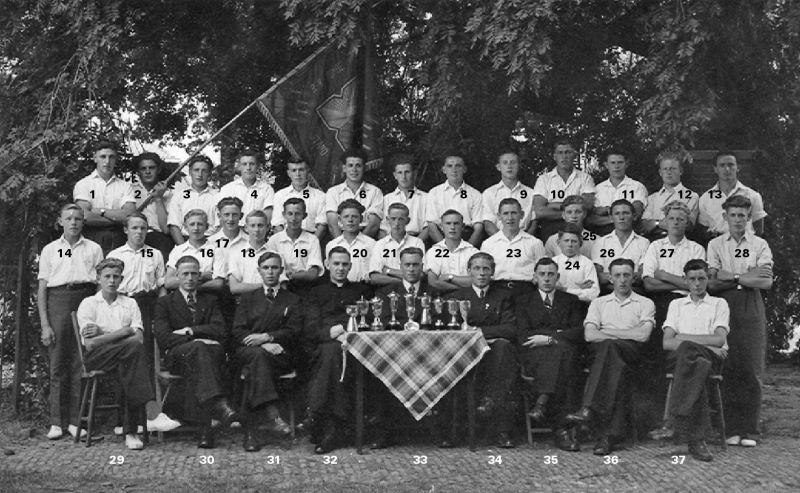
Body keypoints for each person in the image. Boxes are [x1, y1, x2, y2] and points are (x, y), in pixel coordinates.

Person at [76, 258, 180, 450]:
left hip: (126, 357)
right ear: (98, 278)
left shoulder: (130, 303)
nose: (111, 281)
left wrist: (103, 333)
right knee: (133, 354)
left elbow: (138, 338)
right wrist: (123, 332)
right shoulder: (89, 303)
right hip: (98, 358)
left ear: (121, 279)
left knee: (131, 362)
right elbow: (91, 344)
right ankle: (150, 414)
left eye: (116, 277)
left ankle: (133, 432)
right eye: (107, 276)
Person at [565, 259, 655, 455]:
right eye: (617, 275)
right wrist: (628, 332)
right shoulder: (599, 302)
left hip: (631, 354)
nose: (622, 280)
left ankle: (588, 408)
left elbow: (643, 336)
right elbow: (589, 335)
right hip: (605, 356)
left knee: (609, 347)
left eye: (626, 275)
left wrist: (607, 332)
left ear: (634, 277)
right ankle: (608, 437)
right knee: (614, 367)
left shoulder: (645, 303)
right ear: (610, 278)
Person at [707, 195, 773, 447]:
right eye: (733, 215)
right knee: (729, 366)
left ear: (749, 217)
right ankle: (731, 429)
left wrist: (732, 277)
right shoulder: (715, 245)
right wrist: (747, 276)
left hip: (751, 304)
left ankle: (751, 430)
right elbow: (712, 283)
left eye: (742, 215)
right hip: (724, 304)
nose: (737, 220)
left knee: (751, 367)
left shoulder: (759, 244)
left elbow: (765, 281)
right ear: (725, 217)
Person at [153, 256, 240, 449]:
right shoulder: (165, 303)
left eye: (194, 273)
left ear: (200, 276)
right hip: (178, 358)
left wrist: (191, 331)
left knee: (202, 360)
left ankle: (205, 429)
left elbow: (221, 331)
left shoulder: (210, 300)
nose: (190, 278)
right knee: (201, 349)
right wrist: (199, 340)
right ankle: (219, 405)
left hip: (207, 358)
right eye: (185, 274)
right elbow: (164, 338)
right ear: (177, 276)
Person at [37, 204, 103, 440]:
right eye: (69, 218)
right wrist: (45, 324)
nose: (73, 222)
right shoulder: (50, 250)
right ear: (60, 221)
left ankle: (76, 421)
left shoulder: (94, 248)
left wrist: (95, 314)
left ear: (84, 222)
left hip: (85, 299)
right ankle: (57, 422)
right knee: (58, 362)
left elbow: (99, 285)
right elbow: (42, 289)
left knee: (80, 362)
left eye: (78, 218)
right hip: (58, 301)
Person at [654, 259, 729, 462]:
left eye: (701, 278)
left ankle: (673, 421)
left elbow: (719, 339)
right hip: (688, 359)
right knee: (697, 364)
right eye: (692, 279)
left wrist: (683, 338)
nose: (697, 283)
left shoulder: (719, 304)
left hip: (712, 359)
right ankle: (697, 441)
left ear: (708, 279)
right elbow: (667, 343)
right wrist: (707, 343)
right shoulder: (676, 305)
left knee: (692, 355)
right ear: (685, 281)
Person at [231, 252, 302, 451]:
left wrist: (268, 337)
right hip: (249, 350)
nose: (270, 272)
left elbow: (295, 330)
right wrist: (262, 344)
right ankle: (272, 415)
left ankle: (251, 432)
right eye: (266, 268)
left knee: (253, 369)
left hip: (280, 353)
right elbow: (237, 331)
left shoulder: (292, 299)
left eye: (274, 268)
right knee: (258, 357)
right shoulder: (248, 298)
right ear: (259, 271)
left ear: (281, 271)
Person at [304, 247, 372, 454]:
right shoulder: (316, 292)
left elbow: (367, 320)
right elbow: (310, 327)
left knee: (334, 355)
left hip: (356, 346)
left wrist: (348, 333)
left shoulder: (360, 291)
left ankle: (318, 417)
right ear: (327, 265)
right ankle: (333, 426)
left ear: (350, 266)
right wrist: (331, 332)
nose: (340, 268)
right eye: (336, 264)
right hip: (322, 346)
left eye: (344, 264)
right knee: (331, 354)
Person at [371, 247, 440, 448]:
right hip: (395, 352)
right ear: (400, 267)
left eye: (415, 265)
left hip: (427, 353)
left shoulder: (433, 292)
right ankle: (384, 433)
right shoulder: (385, 293)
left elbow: (438, 320)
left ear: (422, 267)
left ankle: (439, 432)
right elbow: (384, 321)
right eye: (407, 265)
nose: (411, 269)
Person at [448, 252, 518, 448]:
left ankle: (501, 430)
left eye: (486, 269)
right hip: (464, 353)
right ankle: (452, 431)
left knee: (503, 349)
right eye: (477, 268)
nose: (481, 273)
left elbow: (510, 328)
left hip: (493, 354)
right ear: (468, 271)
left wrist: (477, 331)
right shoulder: (457, 297)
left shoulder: (503, 297)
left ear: (492, 272)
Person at [515, 258, 585, 452]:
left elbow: (578, 332)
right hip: (535, 358)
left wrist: (548, 339)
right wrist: (558, 336)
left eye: (551, 274)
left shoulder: (570, 300)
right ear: (534, 277)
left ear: (557, 277)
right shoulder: (523, 301)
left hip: (562, 356)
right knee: (562, 355)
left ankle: (542, 401)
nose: (546, 278)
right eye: (542, 274)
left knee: (562, 354)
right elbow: (523, 335)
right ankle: (561, 430)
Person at [106, 213, 167, 364]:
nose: (139, 232)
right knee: (122, 345)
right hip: (122, 303)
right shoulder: (115, 255)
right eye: (134, 228)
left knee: (145, 346)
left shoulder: (155, 254)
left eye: (142, 228)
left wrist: (161, 311)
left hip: (146, 304)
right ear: (126, 230)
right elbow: (106, 286)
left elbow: (161, 286)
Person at [73, 141, 135, 254]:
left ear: (116, 159)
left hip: (119, 237)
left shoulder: (125, 186)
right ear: (95, 158)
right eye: (103, 157)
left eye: (111, 157)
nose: (107, 161)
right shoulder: (84, 184)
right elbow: (85, 216)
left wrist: (101, 211)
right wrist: (117, 219)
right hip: (91, 236)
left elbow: (129, 215)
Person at [480, 198, 546, 298]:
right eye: (505, 213)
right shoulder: (488, 244)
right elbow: (483, 271)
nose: (510, 218)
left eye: (514, 213)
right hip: (496, 290)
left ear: (522, 215)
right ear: (499, 216)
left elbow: (543, 271)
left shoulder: (535, 243)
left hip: (526, 291)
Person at [532, 138, 595, 241]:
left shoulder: (585, 178)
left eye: (567, 152)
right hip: (551, 227)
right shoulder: (544, 179)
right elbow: (540, 211)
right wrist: (572, 212)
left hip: (578, 228)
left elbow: (587, 205)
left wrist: (552, 205)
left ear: (574, 155)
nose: (564, 156)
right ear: (554, 156)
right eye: (560, 153)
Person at [697, 150, 767, 242]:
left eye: (731, 165)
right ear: (715, 169)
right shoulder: (705, 198)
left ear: (738, 167)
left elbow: (759, 230)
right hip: (717, 245)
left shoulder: (752, 196)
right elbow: (703, 229)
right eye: (722, 165)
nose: (727, 169)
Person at [425, 153, 485, 247]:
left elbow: (478, 227)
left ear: (464, 169)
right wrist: (445, 247)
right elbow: (432, 225)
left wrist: (468, 249)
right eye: (450, 166)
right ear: (444, 170)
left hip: (468, 238)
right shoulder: (434, 193)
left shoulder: (475, 194)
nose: (454, 170)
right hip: (441, 238)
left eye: (458, 166)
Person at [265, 197, 325, 291]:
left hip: (306, 288)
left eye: (297, 214)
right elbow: (270, 271)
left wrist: (293, 275)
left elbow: (313, 273)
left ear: (304, 216)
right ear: (284, 215)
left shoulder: (312, 240)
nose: (293, 218)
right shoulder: (274, 240)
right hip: (281, 288)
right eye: (290, 214)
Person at [591, 200, 650, 293]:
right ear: (611, 218)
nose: (621, 217)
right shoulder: (601, 242)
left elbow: (641, 275)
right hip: (607, 292)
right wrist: (628, 276)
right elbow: (598, 276)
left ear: (634, 216)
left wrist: (612, 276)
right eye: (617, 213)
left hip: (635, 291)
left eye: (626, 213)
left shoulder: (644, 242)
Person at [639, 151, 699, 241]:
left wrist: (655, 223)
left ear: (681, 171)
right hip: (655, 241)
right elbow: (645, 225)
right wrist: (663, 223)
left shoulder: (691, 196)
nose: (668, 172)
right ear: (660, 172)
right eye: (665, 169)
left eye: (673, 169)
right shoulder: (652, 198)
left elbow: (686, 225)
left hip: (679, 242)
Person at [325, 148, 383, 239]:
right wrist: (342, 244)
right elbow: (333, 224)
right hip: (339, 237)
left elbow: (373, 224)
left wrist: (359, 243)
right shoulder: (333, 192)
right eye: (350, 165)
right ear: (344, 168)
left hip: (366, 238)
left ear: (364, 168)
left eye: (358, 165)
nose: (354, 170)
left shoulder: (375, 192)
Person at [587, 150, 647, 235]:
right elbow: (592, 219)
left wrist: (607, 212)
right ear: (606, 165)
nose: (616, 166)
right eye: (612, 163)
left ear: (626, 164)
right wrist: (623, 215)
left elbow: (635, 215)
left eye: (620, 162)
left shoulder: (637, 187)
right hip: (602, 235)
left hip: (629, 234)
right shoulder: (598, 189)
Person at [481, 150, 536, 237]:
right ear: (498, 167)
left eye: (513, 162)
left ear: (519, 166)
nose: (509, 166)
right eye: (505, 163)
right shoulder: (489, 193)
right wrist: (503, 241)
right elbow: (488, 224)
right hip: (497, 239)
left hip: (525, 238)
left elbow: (534, 222)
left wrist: (525, 240)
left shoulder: (530, 193)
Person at [369, 203, 425, 287]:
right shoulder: (380, 244)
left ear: (408, 221)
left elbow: (420, 274)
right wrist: (402, 281)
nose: (396, 223)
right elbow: (374, 277)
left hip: (411, 289)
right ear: (387, 220)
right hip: (387, 289)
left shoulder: (416, 242)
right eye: (393, 219)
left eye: (401, 219)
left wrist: (388, 271)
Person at [167, 155, 219, 244]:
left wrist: (209, 246)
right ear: (190, 172)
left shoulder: (217, 196)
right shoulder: (179, 196)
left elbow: (220, 226)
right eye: (196, 170)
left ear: (209, 174)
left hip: (210, 242)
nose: (200, 174)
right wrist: (183, 247)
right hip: (184, 240)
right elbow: (174, 225)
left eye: (204, 171)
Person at [424, 210, 480, 293]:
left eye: (456, 223)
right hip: (443, 296)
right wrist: (460, 289)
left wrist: (449, 277)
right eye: (448, 223)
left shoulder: (473, 252)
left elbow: (477, 280)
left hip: (469, 297)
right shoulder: (433, 251)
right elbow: (433, 282)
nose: (452, 227)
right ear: (441, 227)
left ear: (463, 226)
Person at [131, 152, 174, 258]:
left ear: (158, 170)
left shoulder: (169, 194)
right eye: (143, 168)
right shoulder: (129, 190)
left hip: (160, 238)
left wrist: (159, 199)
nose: (147, 172)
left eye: (151, 168)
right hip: (135, 236)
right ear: (138, 172)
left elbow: (166, 229)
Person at [272, 160, 327, 239]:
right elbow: (277, 224)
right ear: (288, 173)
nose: (298, 174)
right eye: (294, 170)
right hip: (286, 239)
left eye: (301, 170)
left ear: (307, 171)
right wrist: (287, 243)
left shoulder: (320, 196)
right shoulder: (279, 195)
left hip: (312, 239)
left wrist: (312, 243)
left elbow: (322, 226)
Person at [379, 153, 429, 241]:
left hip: (417, 241)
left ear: (414, 173)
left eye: (407, 172)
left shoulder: (425, 198)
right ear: (395, 175)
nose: (403, 177)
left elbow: (428, 227)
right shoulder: (387, 199)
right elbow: (382, 229)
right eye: (400, 172)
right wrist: (390, 244)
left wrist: (415, 244)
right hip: (391, 242)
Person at [217, 149, 275, 225]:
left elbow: (267, 215)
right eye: (244, 164)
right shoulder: (227, 189)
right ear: (239, 167)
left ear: (257, 166)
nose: (248, 168)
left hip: (256, 230)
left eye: (252, 164)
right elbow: (221, 216)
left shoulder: (266, 189)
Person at [325, 199, 376, 285]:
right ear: (339, 219)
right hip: (340, 287)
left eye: (354, 216)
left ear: (361, 219)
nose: (350, 220)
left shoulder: (371, 244)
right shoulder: (332, 245)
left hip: (364, 287)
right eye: (346, 217)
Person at [164, 210, 217, 292]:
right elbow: (169, 282)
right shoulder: (178, 250)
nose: (196, 228)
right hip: (182, 296)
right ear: (185, 227)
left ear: (206, 227)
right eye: (192, 224)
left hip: (208, 295)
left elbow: (218, 283)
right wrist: (201, 276)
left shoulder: (216, 249)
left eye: (200, 224)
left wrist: (185, 280)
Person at [226, 210, 271, 295]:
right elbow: (234, 287)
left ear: (267, 227)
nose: (256, 230)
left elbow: (281, 287)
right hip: (244, 300)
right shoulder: (236, 254)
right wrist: (265, 286)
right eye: (252, 226)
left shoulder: (276, 254)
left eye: (260, 225)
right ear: (246, 228)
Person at [552, 224, 600, 303]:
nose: (570, 245)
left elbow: (593, 293)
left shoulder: (587, 263)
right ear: (558, 242)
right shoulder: (552, 262)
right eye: (566, 241)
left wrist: (565, 290)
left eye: (574, 241)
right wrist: (579, 290)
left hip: (579, 305)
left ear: (580, 244)